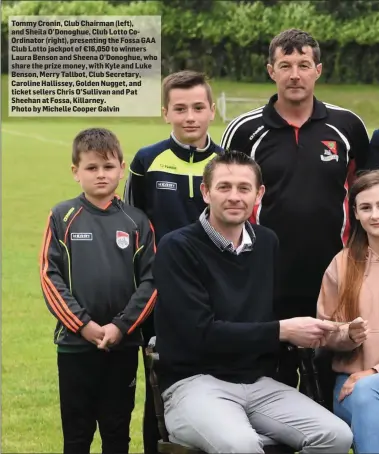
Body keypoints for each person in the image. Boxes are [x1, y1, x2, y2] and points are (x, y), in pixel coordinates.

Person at [153, 150, 353, 454]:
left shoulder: (266, 242)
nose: (235, 196)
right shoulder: (177, 247)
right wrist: (281, 331)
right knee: (242, 445)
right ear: (205, 192)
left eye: (244, 188)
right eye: (224, 187)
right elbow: (198, 334)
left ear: (258, 194)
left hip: (257, 384)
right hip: (193, 383)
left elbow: (277, 312)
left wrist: (331, 331)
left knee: (335, 436)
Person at [220, 28, 379, 389]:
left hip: (335, 271)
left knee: (327, 371)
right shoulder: (244, 130)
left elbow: (366, 195)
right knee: (268, 373)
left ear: (318, 70)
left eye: (303, 64)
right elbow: (223, 201)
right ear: (270, 70)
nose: (295, 74)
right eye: (285, 65)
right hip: (263, 272)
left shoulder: (347, 126)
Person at [123, 70, 223, 454]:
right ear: (166, 113)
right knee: (159, 383)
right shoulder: (147, 160)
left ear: (212, 110)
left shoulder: (228, 162)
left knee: (216, 381)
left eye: (198, 107)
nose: (190, 117)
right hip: (161, 295)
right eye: (180, 109)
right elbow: (133, 228)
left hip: (217, 293)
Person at [39, 128, 156, 454]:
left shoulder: (137, 222)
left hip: (122, 346)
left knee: (117, 433)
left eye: (108, 167)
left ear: (121, 167)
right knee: (77, 436)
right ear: (76, 172)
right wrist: (84, 325)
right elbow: (50, 277)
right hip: (76, 347)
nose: (101, 175)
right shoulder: (62, 216)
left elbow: (151, 281)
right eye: (91, 168)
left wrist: (121, 327)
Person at [317, 170, 379, 454]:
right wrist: (346, 335)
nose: (375, 215)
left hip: (368, 380)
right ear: (354, 213)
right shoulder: (342, 264)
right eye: (366, 207)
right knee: (365, 395)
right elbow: (324, 333)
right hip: (352, 385)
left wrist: (374, 372)